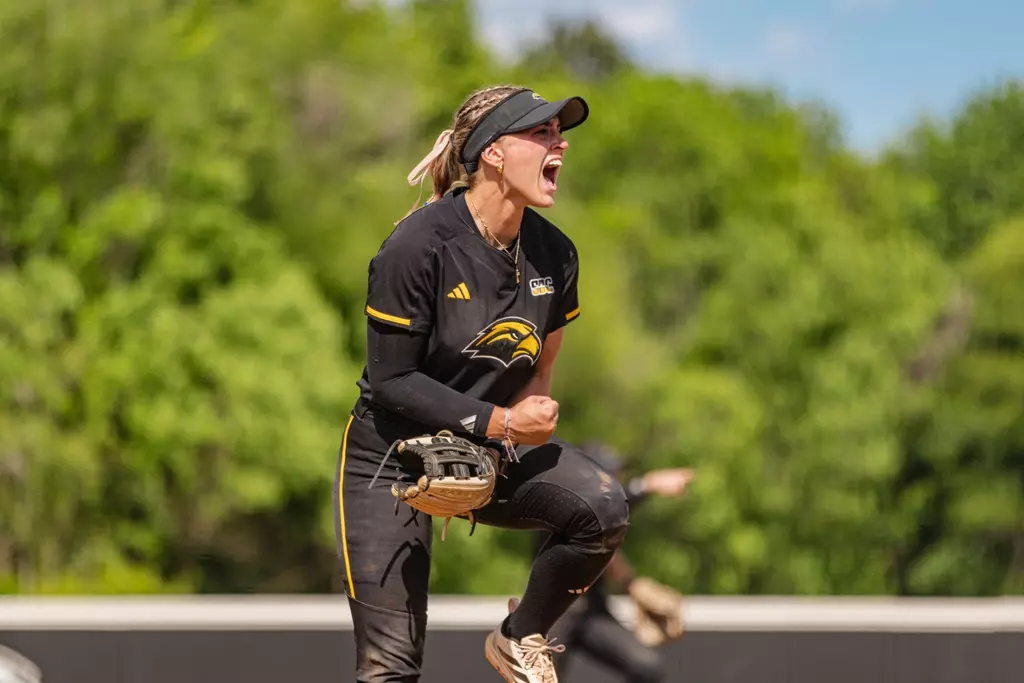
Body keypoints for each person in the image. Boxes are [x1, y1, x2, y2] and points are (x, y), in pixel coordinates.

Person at [332, 84, 631, 683]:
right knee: (390, 668)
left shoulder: (555, 254)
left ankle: (520, 637)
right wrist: (499, 423)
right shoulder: (417, 245)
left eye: (559, 132)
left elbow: (541, 361)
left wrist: (518, 423)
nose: (560, 145)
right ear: (493, 152)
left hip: (489, 450)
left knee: (602, 508)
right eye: (541, 133)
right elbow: (392, 381)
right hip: (389, 457)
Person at [531, 442, 694, 683]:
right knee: (541, 679)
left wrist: (632, 584)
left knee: (646, 667)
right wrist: (646, 485)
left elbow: (607, 551)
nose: (614, 479)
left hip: (591, 611)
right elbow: (595, 507)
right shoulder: (565, 504)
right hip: (554, 612)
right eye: (607, 473)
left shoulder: (605, 519)